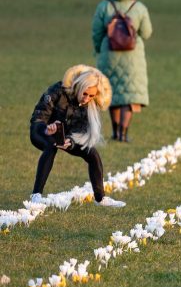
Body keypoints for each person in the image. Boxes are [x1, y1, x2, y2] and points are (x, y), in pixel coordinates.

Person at [30, 65, 125, 207]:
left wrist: (71, 142)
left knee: (92, 154)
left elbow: (82, 130)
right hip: (42, 130)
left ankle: (100, 198)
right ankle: (36, 195)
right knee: (50, 147)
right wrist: (47, 129)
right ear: (79, 87)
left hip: (66, 136)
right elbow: (39, 116)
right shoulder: (57, 91)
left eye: (91, 95)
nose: (87, 98)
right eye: (85, 93)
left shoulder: (91, 105)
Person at [91, 0, 153, 142]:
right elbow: (147, 33)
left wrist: (98, 49)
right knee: (129, 95)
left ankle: (115, 132)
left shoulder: (104, 6)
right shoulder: (139, 7)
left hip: (108, 54)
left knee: (113, 93)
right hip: (133, 57)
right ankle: (124, 134)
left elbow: (96, 32)